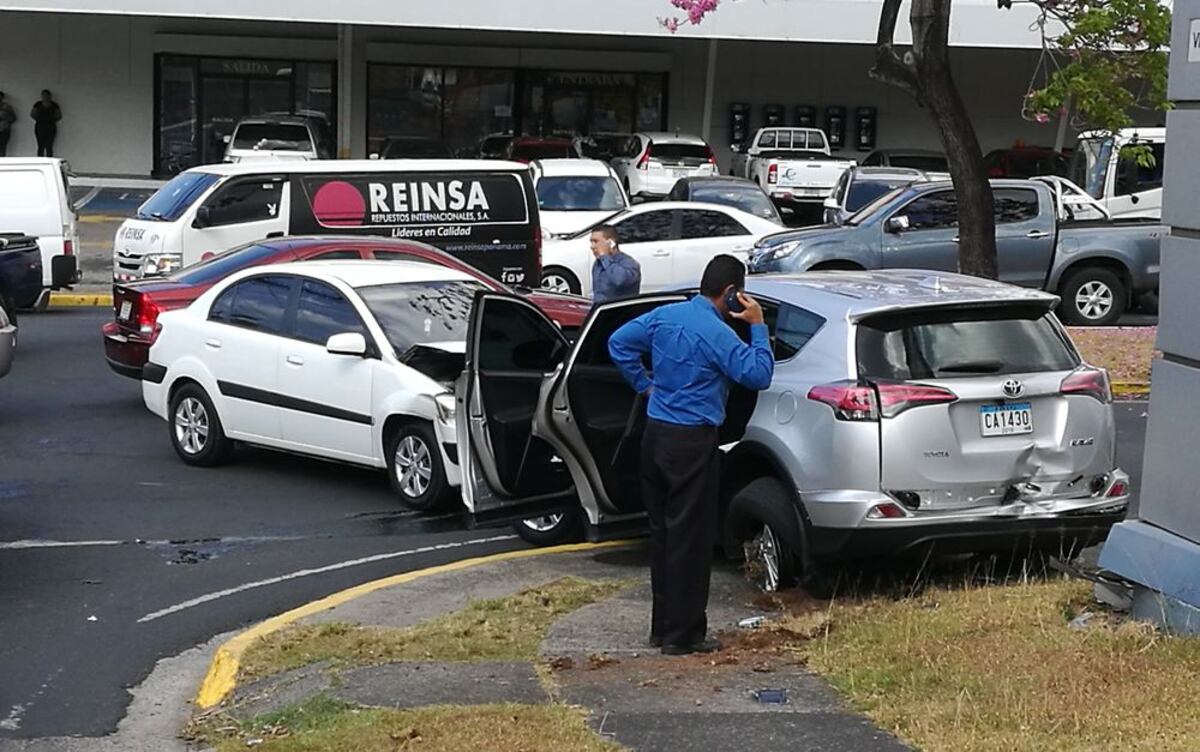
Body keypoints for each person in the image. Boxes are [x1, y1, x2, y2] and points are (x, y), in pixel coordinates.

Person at [608, 254, 774, 655]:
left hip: (655, 435)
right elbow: (758, 374)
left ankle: (662, 627)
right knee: (692, 539)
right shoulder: (718, 334)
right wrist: (758, 326)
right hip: (692, 441)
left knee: (663, 535)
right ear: (731, 292)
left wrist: (643, 384)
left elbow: (618, 343)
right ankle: (683, 635)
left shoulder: (664, 316)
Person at [590, 224, 641, 304]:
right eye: (591, 242)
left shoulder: (629, 263)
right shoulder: (598, 264)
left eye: (596, 241)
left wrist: (605, 257)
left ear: (611, 243)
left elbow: (620, 280)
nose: (592, 246)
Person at [31, 89, 61, 158]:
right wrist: (39, 119)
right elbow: (32, 114)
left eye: (47, 95)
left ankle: (49, 160)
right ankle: (40, 160)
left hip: (50, 127)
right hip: (40, 127)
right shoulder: (37, 105)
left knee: (49, 146)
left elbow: (59, 116)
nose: (45, 97)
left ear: (50, 96)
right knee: (40, 145)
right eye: (44, 95)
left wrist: (51, 120)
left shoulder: (54, 105)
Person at [0, 91, 15, 157]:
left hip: (4, 130)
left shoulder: (7, 107)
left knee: (2, 149)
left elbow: (13, 118)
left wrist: (5, 116)